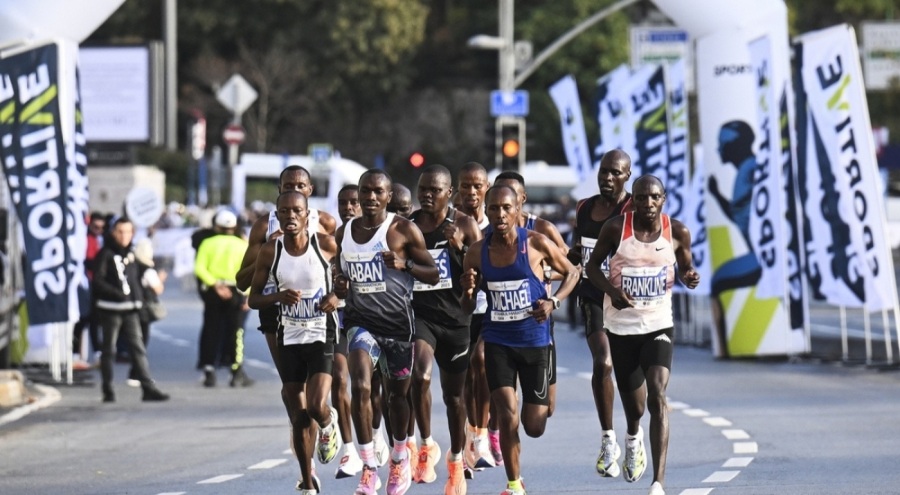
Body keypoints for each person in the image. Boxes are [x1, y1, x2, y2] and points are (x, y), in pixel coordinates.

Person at [459, 185, 578, 495]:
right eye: (494, 208)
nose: (500, 214)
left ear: (517, 211)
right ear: (486, 212)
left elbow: (572, 273)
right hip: (498, 341)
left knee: (534, 426)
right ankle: (514, 484)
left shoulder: (536, 243)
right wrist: (469, 290)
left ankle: (535, 402)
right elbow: (467, 307)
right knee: (507, 415)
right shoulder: (476, 252)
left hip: (535, 342)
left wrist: (554, 303)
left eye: (506, 208)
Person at [585, 175, 700, 495]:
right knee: (635, 408)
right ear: (631, 200)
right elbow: (592, 268)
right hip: (621, 328)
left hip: (658, 325)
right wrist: (612, 291)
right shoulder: (615, 229)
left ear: (663, 198)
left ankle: (658, 483)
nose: (647, 204)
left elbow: (686, 264)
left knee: (658, 396)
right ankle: (633, 438)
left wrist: (689, 275)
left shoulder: (676, 231)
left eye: (653, 198)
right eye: (640, 198)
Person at [334, 169, 439, 495]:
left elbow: (433, 274)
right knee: (362, 384)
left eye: (377, 192)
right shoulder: (344, 232)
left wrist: (404, 265)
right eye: (365, 192)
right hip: (360, 323)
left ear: (388, 196)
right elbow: (340, 268)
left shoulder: (403, 230)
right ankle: (368, 466)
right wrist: (340, 282)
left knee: (397, 396)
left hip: (397, 326)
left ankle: (398, 458)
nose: (369, 198)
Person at [234, 165, 337, 487]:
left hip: (319, 316)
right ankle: (307, 474)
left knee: (319, 396)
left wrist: (338, 298)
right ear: (278, 191)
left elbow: (341, 272)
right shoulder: (264, 228)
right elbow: (242, 283)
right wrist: (269, 253)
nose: (296, 189)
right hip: (277, 315)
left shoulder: (327, 226)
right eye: (288, 186)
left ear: (310, 191)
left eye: (302, 186)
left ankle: (327, 424)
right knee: (296, 398)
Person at [408, 165, 482, 493]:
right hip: (420, 317)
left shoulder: (464, 224)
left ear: (448, 193)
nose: (426, 195)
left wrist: (460, 250)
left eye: (434, 190)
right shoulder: (407, 225)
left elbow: (484, 266)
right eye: (422, 189)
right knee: (419, 375)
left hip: (457, 320)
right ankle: (425, 445)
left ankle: (455, 458)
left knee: (454, 397)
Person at [569, 149, 633, 477]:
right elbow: (577, 249)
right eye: (603, 171)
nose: (607, 178)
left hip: (628, 300)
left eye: (615, 173)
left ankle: (633, 437)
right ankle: (609, 438)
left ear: (627, 176)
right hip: (594, 295)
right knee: (603, 362)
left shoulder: (635, 209)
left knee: (634, 376)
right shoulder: (585, 208)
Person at [332, 184, 392, 479]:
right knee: (344, 379)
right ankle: (349, 450)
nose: (348, 208)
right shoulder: (338, 235)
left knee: (375, 387)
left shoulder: (382, 232)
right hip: (344, 319)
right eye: (343, 203)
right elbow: (335, 270)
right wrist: (336, 285)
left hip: (378, 319)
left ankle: (377, 433)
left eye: (353, 202)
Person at [92, 216, 169, 403]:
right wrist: (117, 293)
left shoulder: (132, 254)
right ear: (113, 233)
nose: (124, 236)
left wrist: (141, 294)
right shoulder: (106, 254)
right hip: (111, 309)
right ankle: (108, 389)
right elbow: (98, 281)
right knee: (109, 350)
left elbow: (141, 273)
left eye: (128, 232)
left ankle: (148, 388)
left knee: (138, 348)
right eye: (120, 231)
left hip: (132, 309)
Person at [455, 162, 496, 471]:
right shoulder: (449, 221)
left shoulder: (498, 220)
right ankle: (471, 433)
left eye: (477, 186)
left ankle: (481, 436)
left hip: (493, 309)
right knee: (467, 375)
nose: (471, 191)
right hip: (460, 309)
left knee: (481, 362)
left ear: (486, 188)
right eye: (465, 186)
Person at [707, 120, 761, 358]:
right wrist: (718, 195)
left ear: (735, 145)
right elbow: (739, 215)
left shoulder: (752, 169)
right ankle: (723, 347)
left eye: (723, 144)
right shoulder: (743, 172)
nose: (719, 150)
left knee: (717, 283)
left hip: (762, 256)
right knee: (717, 283)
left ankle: (724, 348)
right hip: (757, 254)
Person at [194, 210, 253, 388]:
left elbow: (199, 268)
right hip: (237, 290)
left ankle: (209, 369)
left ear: (217, 226)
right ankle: (236, 370)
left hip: (213, 291)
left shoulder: (207, 243)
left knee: (211, 329)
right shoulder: (242, 245)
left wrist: (215, 285)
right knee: (236, 331)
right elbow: (250, 270)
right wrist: (248, 293)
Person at [129, 238, 168, 387]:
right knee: (141, 342)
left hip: (130, 306)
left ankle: (136, 373)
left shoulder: (131, 265)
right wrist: (161, 279)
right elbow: (158, 288)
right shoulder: (147, 270)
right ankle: (137, 374)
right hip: (143, 310)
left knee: (135, 341)